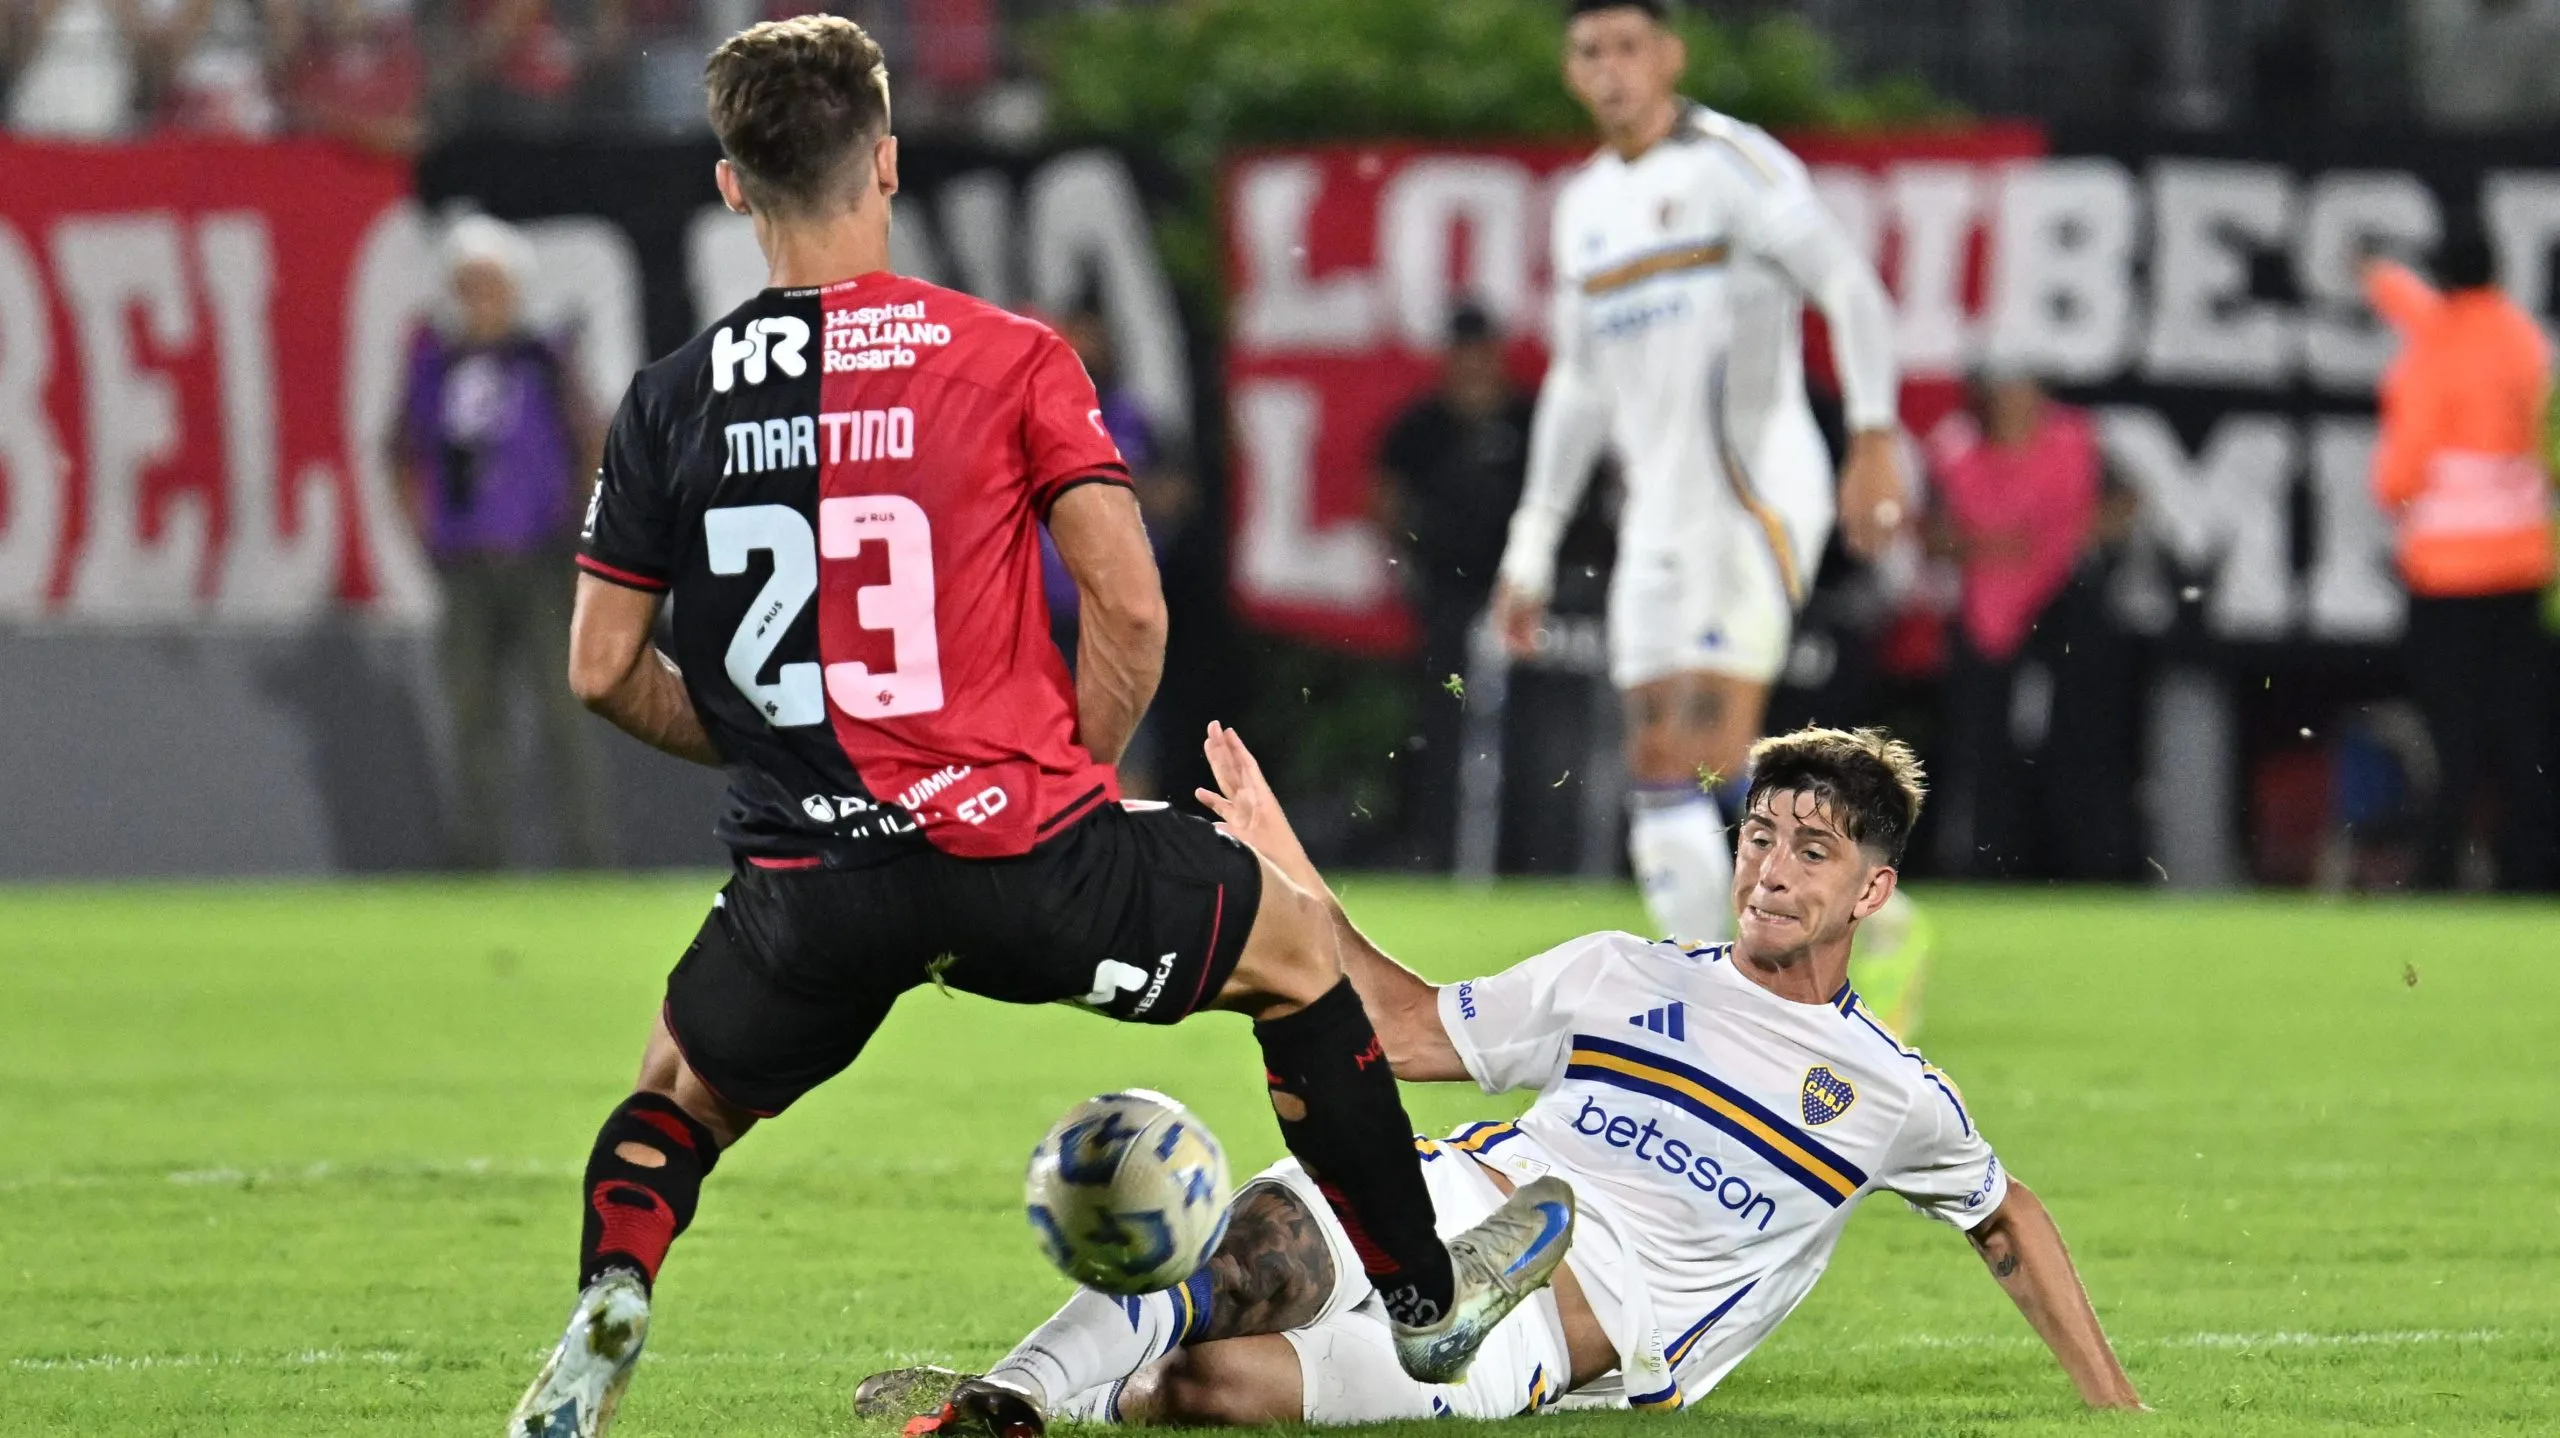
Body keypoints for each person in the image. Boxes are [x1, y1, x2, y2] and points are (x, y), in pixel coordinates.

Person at [505, 19, 1572, 1437]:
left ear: (730, 188)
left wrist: (790, 751)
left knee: (679, 1096)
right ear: (885, 162)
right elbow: (1129, 609)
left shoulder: (667, 398)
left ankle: (611, 1294)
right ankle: (1430, 1309)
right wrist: (1059, 779)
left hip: (812, 887)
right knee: (1301, 957)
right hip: (1031, 857)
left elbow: (598, 669)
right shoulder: (1003, 353)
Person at [857, 723, 2144, 1430]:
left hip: (1550, 1326)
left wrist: (2114, 1406)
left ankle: (1078, 1402)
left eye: (1811, 851)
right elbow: (1406, 1030)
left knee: (1202, 1391)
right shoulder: (1624, 973)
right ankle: (1003, 1403)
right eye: (1757, 836)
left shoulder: (1887, 1093)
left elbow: (2003, 1216)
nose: (1769, 869)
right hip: (1455, 1198)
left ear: (1871, 889)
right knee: (1247, 1259)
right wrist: (1287, 864)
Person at [1489, 0, 1922, 1007]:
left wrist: (1872, 436)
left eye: (1630, 47)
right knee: (1665, 760)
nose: (1611, 70)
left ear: (1670, 56)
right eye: (1590, 51)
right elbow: (1578, 382)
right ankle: (1868, 913)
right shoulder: (1585, 203)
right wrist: (1533, 539)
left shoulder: (1734, 166)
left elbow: (1848, 286)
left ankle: (1716, 1011)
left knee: (1686, 744)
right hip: (1658, 514)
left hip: (1753, 492)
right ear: (1569, 69)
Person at [399, 213, 612, 871]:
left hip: (542, 557)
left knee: (562, 715)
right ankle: (478, 858)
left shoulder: (542, 358)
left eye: (490, 285)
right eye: (468, 286)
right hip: (466, 561)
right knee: (472, 715)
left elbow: (589, 442)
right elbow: (404, 453)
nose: (479, 300)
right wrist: (425, 533)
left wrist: (584, 534)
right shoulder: (435, 361)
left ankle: (585, 856)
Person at [2365, 233, 2559, 890]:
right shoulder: (2522, 338)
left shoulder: (2437, 351)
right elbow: (2431, 314)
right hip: (2524, 566)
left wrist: (2391, 492)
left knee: (2452, 731)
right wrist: (2381, 279)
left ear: (2441, 278)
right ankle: (2532, 869)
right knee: (2522, 726)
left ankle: (2440, 868)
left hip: (2448, 572)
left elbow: (2403, 463)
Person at [1924, 369, 2135, 879]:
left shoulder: (2074, 442)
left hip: (2065, 604)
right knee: (1981, 745)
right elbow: (1929, 535)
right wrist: (1991, 547)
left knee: (2076, 743)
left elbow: (2125, 504)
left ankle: (2086, 865)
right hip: (1985, 614)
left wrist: (2061, 539)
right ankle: (1986, 862)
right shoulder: (1957, 453)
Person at [1373, 300, 1537, 870]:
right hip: (1449, 602)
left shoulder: (1529, 418)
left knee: (1531, 728)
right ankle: (1443, 849)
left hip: (1526, 605)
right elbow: (1385, 504)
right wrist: (1410, 570)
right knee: (1448, 724)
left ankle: (1527, 850)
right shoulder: (1421, 427)